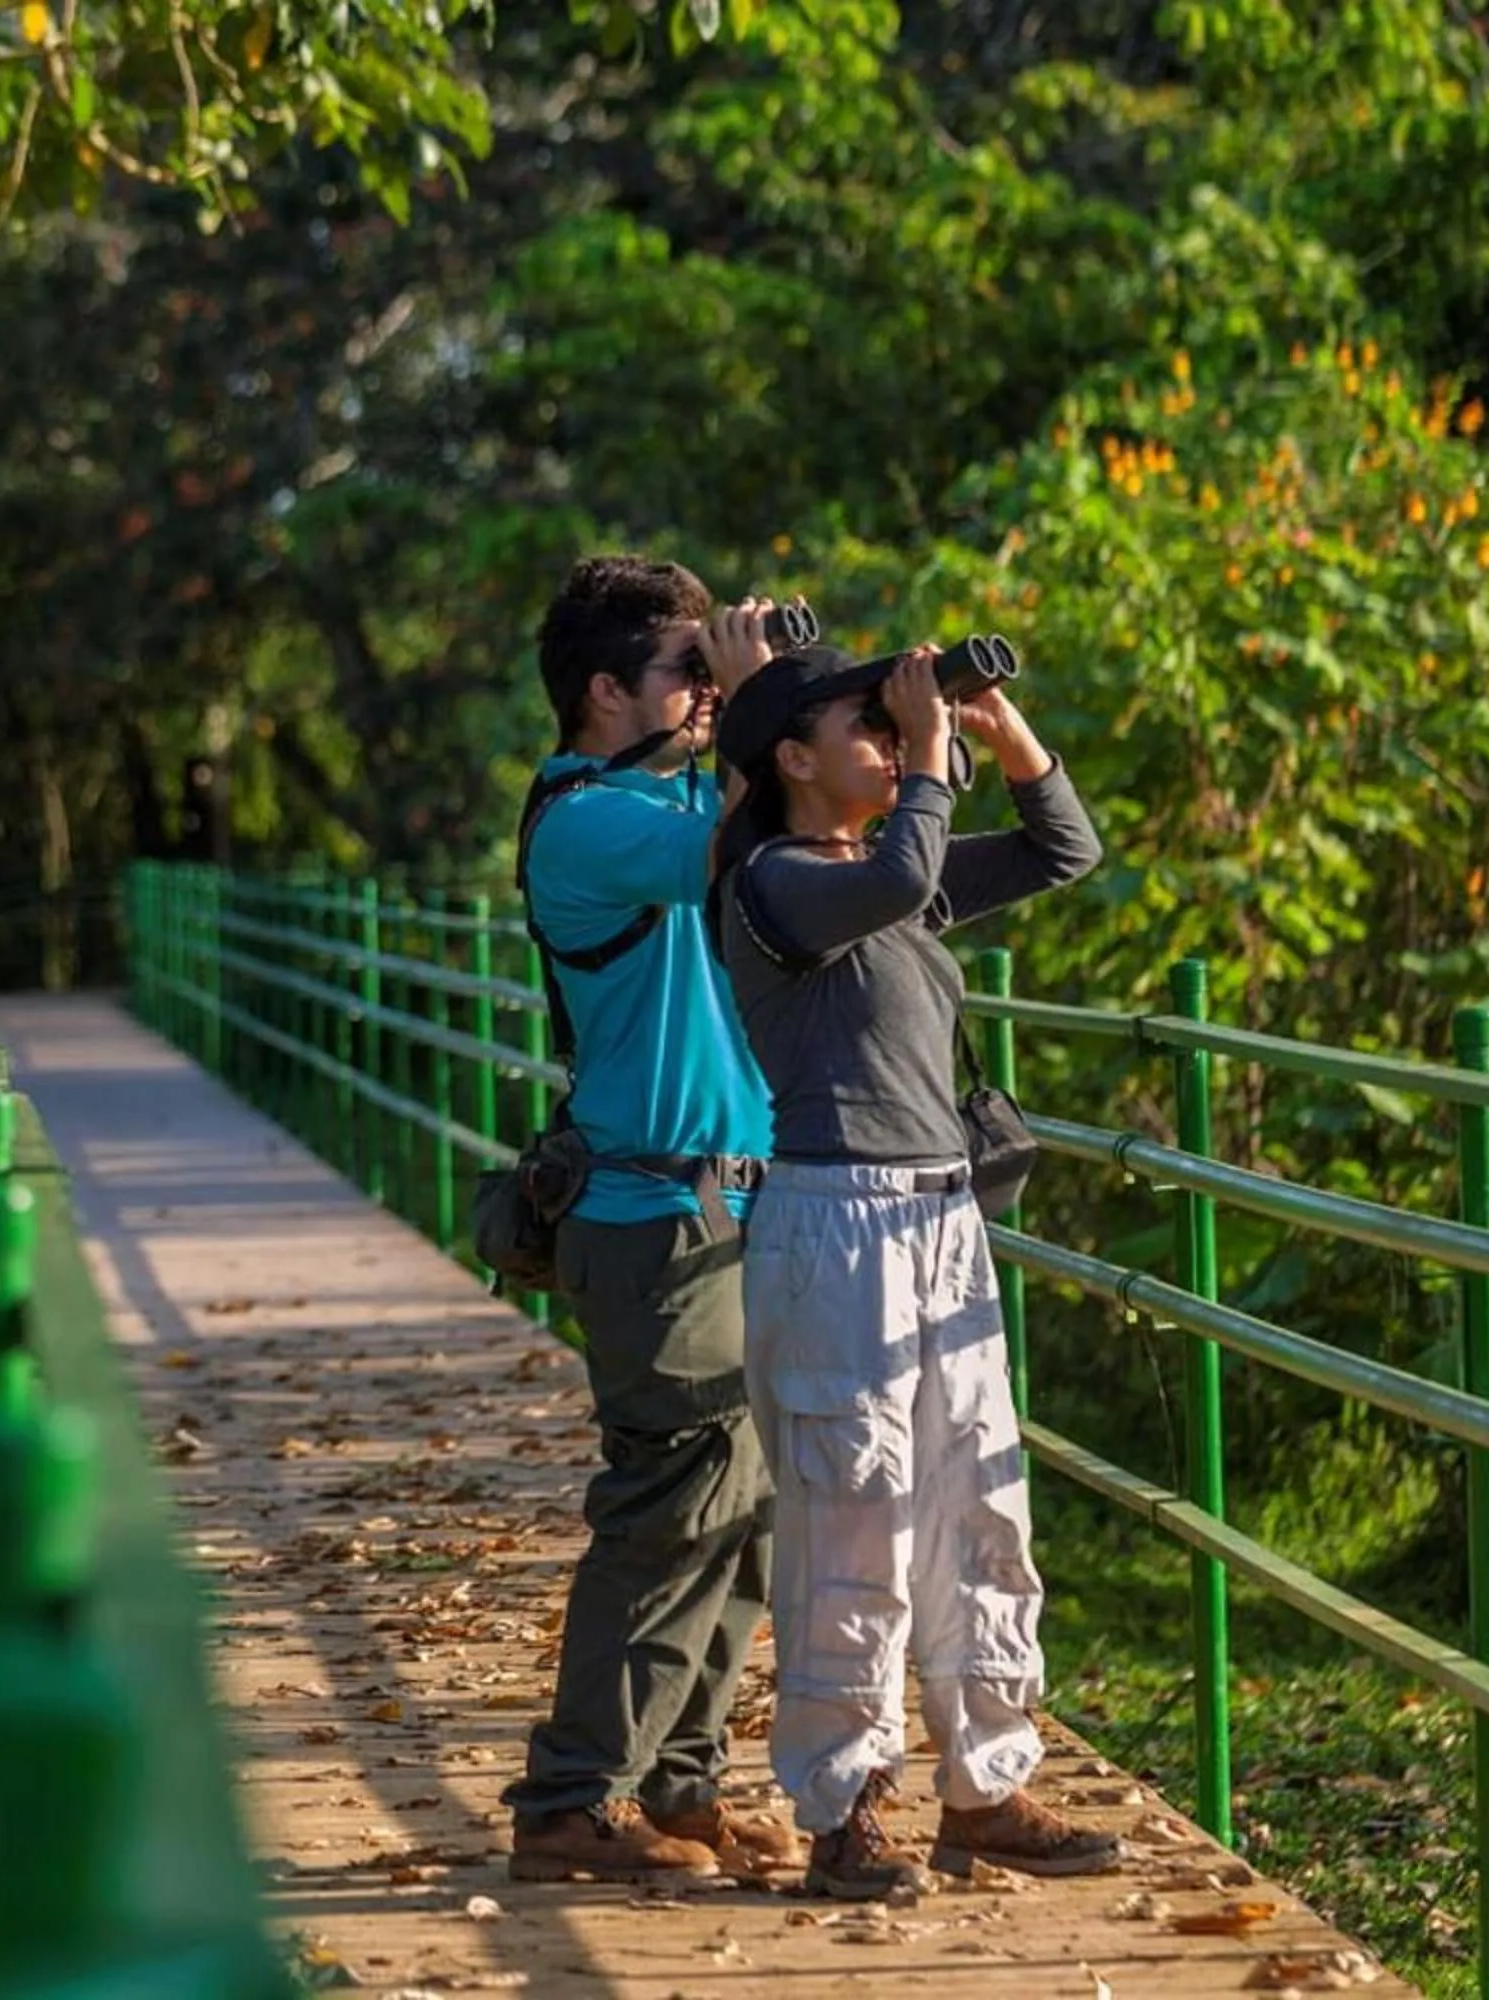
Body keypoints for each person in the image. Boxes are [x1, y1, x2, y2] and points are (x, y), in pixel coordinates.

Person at [708, 643, 1116, 1900]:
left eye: (896, 726)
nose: (891, 740)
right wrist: (932, 755)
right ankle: (847, 1807)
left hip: (944, 1219)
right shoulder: (778, 883)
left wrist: (997, 726)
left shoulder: (900, 880)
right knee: (855, 1519)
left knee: (980, 1506)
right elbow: (900, 870)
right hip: (835, 1223)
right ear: (791, 758)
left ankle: (986, 1785)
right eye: (864, 724)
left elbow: (1064, 849)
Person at [500, 555, 800, 1886]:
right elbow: (732, 851)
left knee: (747, 1518)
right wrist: (756, 708)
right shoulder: (587, 821)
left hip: (734, 1205)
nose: (701, 690)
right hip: (651, 1218)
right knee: (670, 1508)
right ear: (606, 690)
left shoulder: (666, 791)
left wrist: (792, 697)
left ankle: (681, 1786)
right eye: (686, 669)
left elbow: (782, 828)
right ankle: (571, 1803)